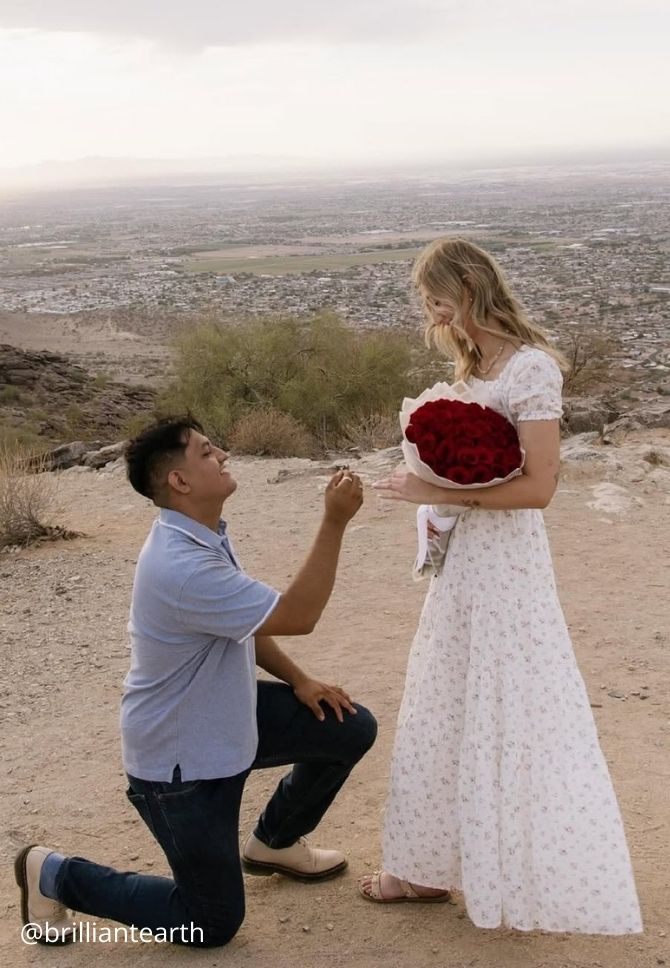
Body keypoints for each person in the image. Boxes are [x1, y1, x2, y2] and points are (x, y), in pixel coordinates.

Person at [360, 237, 642, 935]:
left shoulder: (531, 367)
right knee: (446, 700)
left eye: (433, 299)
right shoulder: (471, 365)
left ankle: (517, 868)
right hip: (463, 563)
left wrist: (439, 490)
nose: (431, 314)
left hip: (509, 564)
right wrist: (437, 503)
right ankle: (426, 868)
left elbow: (540, 487)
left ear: (460, 293)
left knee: (510, 705)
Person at [15, 416, 377, 948]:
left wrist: (301, 680)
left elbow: (245, 625)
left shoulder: (199, 534)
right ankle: (51, 873)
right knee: (209, 922)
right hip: (181, 763)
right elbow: (298, 614)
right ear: (179, 482)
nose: (224, 455)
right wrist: (335, 520)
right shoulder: (181, 564)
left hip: (224, 718)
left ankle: (273, 843)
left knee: (347, 726)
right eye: (208, 452)